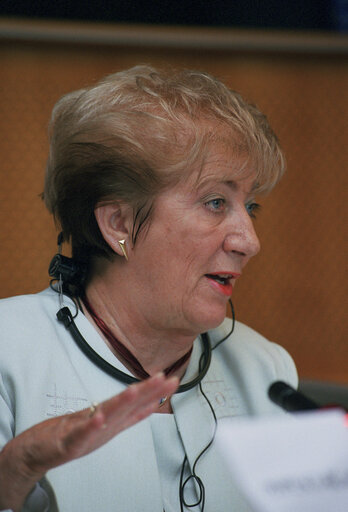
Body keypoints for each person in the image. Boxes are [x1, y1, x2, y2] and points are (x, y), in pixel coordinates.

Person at [0, 65, 297, 512]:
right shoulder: (9, 350)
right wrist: (15, 472)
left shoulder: (265, 371)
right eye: (216, 202)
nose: (249, 242)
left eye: (249, 205)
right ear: (118, 223)